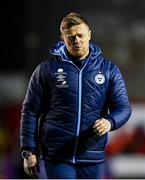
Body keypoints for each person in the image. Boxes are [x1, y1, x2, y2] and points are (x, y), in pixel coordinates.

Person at [20, 12, 132, 179]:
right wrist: (28, 150)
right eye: (71, 37)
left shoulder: (108, 70)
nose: (76, 40)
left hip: (92, 154)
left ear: (89, 34)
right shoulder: (46, 69)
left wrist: (110, 122)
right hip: (57, 155)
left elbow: (123, 107)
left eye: (80, 35)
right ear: (62, 37)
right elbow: (30, 111)